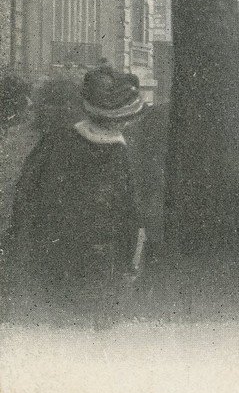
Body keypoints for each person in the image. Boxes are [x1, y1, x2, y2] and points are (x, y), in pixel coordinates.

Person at [3, 63, 147, 326]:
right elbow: (129, 218)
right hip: (96, 270)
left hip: (48, 263)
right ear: (122, 118)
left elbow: (25, 198)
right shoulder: (119, 155)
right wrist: (128, 266)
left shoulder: (55, 141)